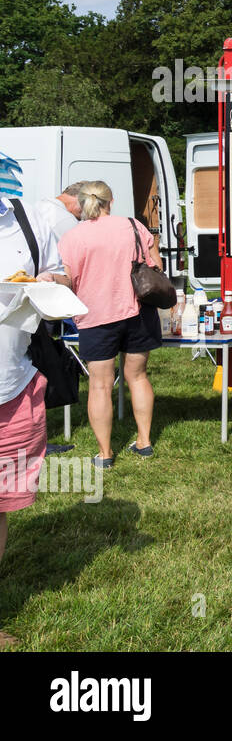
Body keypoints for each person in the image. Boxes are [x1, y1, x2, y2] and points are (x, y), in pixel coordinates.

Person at [0, 188, 69, 649]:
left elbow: (62, 274)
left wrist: (50, 279)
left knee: (1, 508)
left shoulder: (27, 217)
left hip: (14, 388)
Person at [58, 181, 163, 468]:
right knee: (138, 377)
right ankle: (144, 441)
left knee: (100, 386)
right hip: (139, 312)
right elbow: (157, 266)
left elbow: (66, 280)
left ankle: (104, 454)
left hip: (96, 317)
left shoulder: (73, 237)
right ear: (111, 201)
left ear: (82, 203)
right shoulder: (133, 226)